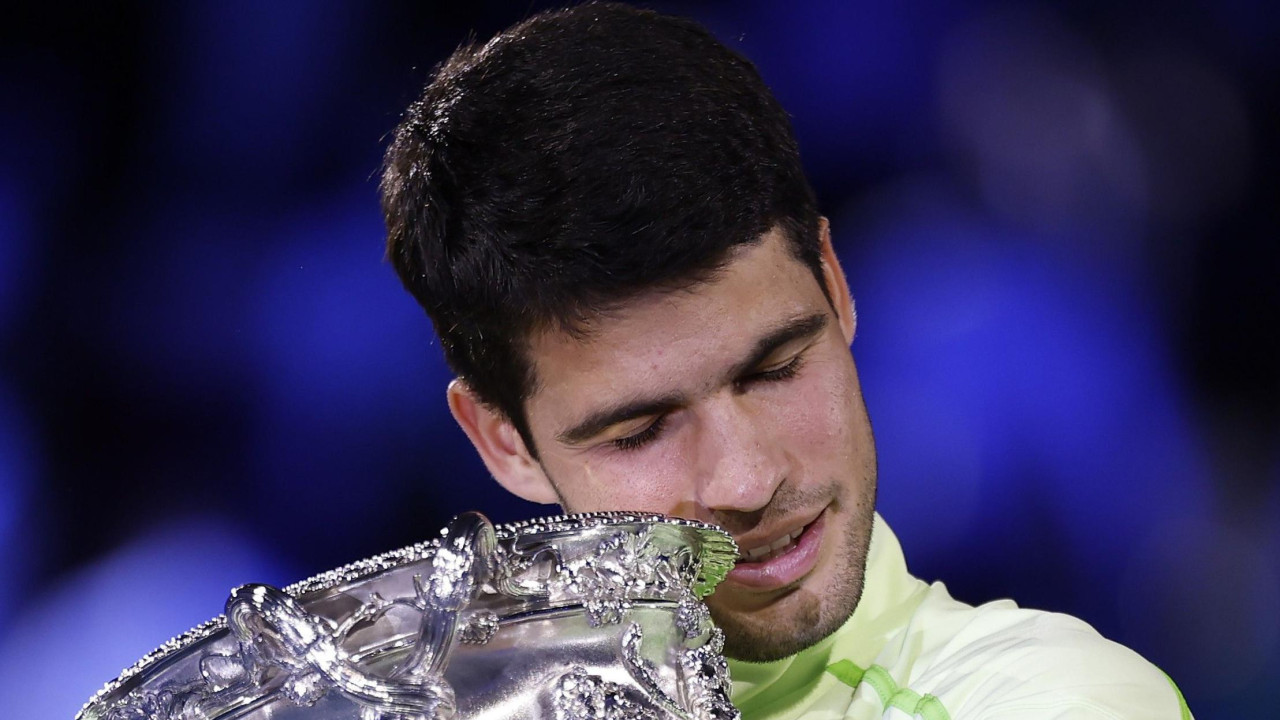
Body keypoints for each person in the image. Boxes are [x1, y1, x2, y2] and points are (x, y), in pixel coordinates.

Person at [379, 3, 1191, 718]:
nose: (748, 482)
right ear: (503, 441)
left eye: (775, 370)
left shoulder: (1065, 698)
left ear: (836, 286)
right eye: (641, 431)